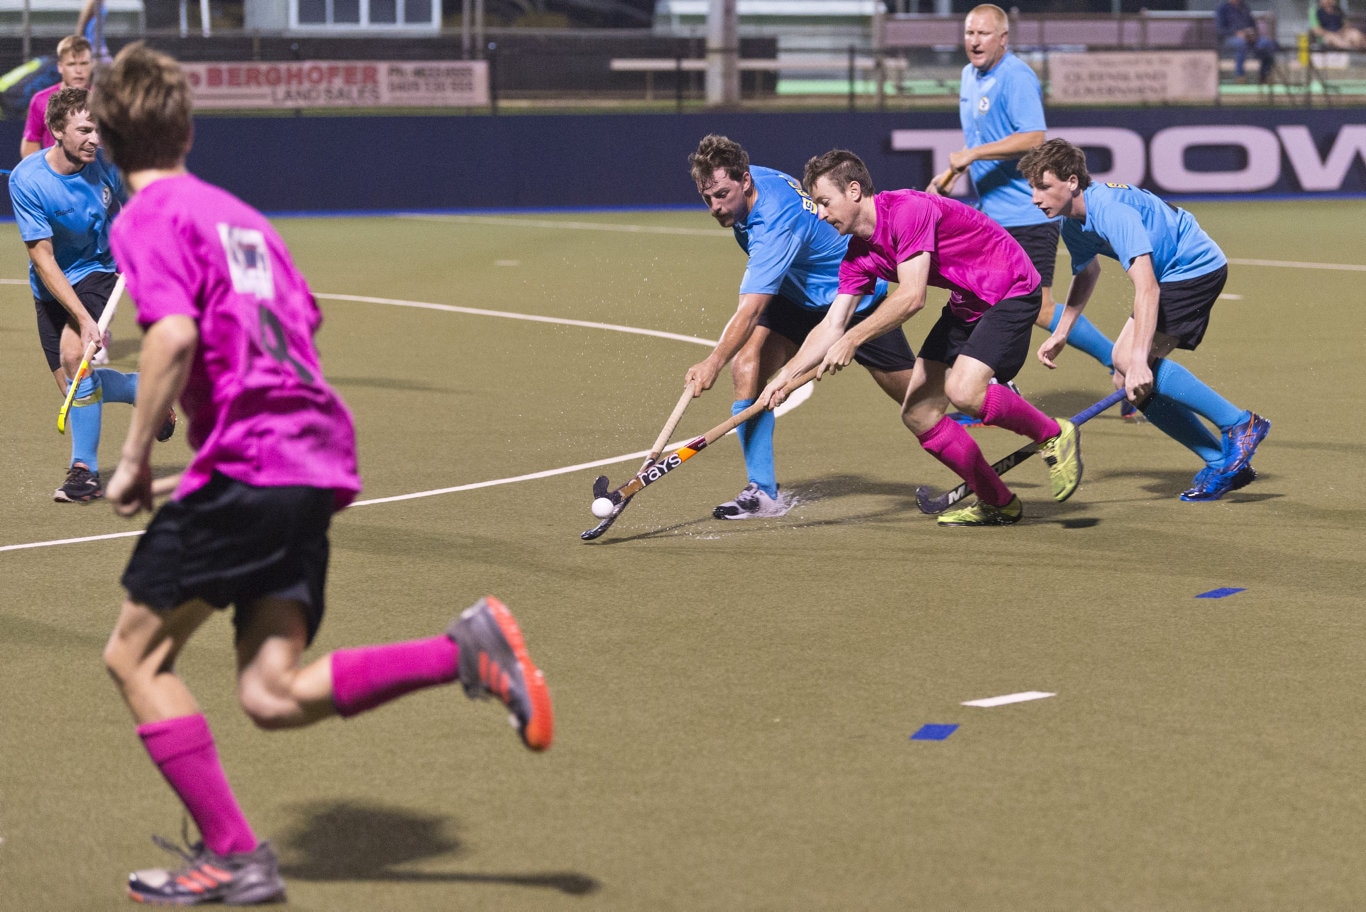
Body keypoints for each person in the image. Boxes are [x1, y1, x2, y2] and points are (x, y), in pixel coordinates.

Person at [90, 43, 554, 905]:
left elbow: (173, 336)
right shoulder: (243, 216)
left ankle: (232, 855)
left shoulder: (143, 218)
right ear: (188, 127)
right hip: (314, 457)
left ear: (110, 143)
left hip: (254, 463)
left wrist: (133, 461)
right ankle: (463, 649)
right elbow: (304, 320)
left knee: (134, 656)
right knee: (269, 692)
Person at [758, 149, 1082, 527]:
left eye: (825, 202)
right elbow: (832, 324)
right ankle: (998, 502)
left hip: (1010, 287)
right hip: (967, 301)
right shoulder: (856, 256)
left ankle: (1054, 433)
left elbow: (913, 297)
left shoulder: (906, 211)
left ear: (854, 190)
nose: (821, 213)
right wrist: (784, 377)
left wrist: (853, 339)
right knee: (919, 413)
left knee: (964, 391)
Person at [1018, 138, 1270, 502]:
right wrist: (1062, 331)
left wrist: (1139, 360)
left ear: (1071, 181)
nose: (1035, 198)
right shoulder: (1073, 224)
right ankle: (1222, 462)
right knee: (1127, 377)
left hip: (1193, 268)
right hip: (1172, 275)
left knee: (1129, 364)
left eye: (1043, 187)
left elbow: (1147, 288)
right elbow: (1087, 273)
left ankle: (1240, 424)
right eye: (1033, 189)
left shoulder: (1111, 211)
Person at [685, 134, 917, 519]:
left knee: (918, 400)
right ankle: (762, 491)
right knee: (749, 367)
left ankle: (982, 389)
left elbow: (748, 311)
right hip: (797, 295)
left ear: (744, 181)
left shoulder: (774, 219)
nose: (715, 207)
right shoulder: (749, 183)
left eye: (722, 194)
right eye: (707, 197)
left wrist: (712, 361)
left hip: (851, 296)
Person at [927, 4, 1126, 420]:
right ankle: (986, 384)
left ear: (1003, 39)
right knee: (980, 298)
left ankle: (1119, 360)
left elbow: (1035, 135)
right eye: (969, 32)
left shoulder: (1016, 75)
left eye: (983, 33)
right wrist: (949, 175)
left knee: (1038, 306)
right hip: (992, 214)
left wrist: (972, 156)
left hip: (1028, 213)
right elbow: (978, 139)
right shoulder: (969, 76)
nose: (974, 40)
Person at [7, 85, 174, 504]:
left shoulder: (105, 164)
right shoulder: (28, 180)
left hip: (99, 269)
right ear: (57, 131)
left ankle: (84, 474)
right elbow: (43, 259)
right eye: (84, 130)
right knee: (79, 388)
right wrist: (83, 319)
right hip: (51, 282)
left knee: (71, 357)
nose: (94, 139)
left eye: (97, 130)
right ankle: (148, 390)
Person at [19, 35, 93, 160]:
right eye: (71, 64)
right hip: (56, 175)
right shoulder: (41, 100)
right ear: (60, 67)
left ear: (91, 65)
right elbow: (31, 141)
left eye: (84, 63)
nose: (79, 70)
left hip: (97, 176)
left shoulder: (105, 99)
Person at [1215, 0, 1279, 84]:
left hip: (1249, 38)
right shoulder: (1222, 8)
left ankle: (1264, 76)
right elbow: (1220, 30)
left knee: (1266, 43)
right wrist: (1236, 33)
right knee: (1241, 43)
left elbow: (1253, 25)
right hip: (1229, 39)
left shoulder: (1244, 6)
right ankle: (1240, 77)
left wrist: (1252, 33)